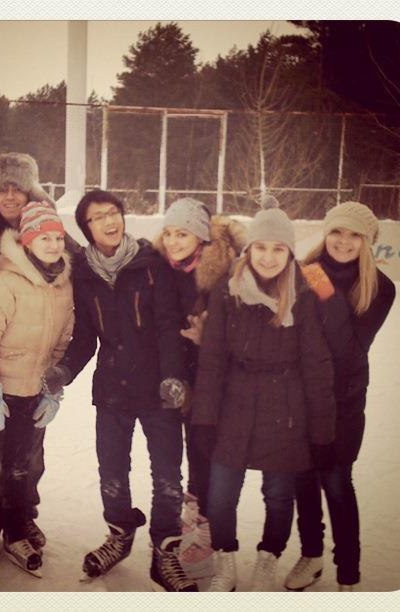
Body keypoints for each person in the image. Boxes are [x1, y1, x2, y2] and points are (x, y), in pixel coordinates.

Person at [43, 189, 199, 592]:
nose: (108, 222)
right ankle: (120, 535)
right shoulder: (84, 274)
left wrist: (173, 378)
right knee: (111, 472)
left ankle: (165, 551)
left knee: (167, 476)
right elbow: (85, 336)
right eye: (97, 218)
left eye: (113, 212)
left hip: (159, 389)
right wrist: (64, 370)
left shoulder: (151, 264)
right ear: (87, 228)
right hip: (112, 390)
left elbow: (167, 326)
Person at [190, 195, 337, 592]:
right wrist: (204, 418)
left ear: (289, 252)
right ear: (249, 249)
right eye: (261, 247)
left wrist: (322, 431)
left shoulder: (305, 290)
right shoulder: (228, 290)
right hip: (234, 405)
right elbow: (212, 361)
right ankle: (225, 561)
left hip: (286, 408)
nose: (268, 258)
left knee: (278, 495)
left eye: (278, 249)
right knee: (221, 495)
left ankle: (268, 561)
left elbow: (317, 365)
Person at [0, 202, 74, 591]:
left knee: (19, 469)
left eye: (58, 237)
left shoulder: (63, 286)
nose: (53, 245)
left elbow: (61, 344)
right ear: (27, 241)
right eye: (44, 238)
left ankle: (16, 533)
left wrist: (52, 390)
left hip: (30, 394)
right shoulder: (4, 283)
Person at [284, 201, 396, 592]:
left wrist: (324, 290)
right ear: (325, 232)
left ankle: (348, 570)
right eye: (337, 231)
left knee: (335, 481)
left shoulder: (380, 288)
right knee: (302, 479)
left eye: (354, 235)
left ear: (367, 241)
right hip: (300, 397)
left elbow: (348, 351)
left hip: (343, 402)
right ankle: (311, 554)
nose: (343, 241)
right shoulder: (299, 272)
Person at [0, 151, 76, 553]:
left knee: (30, 457)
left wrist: (54, 384)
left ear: (29, 192)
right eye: (2, 189)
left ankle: (21, 515)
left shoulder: (49, 232)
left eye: (17, 188)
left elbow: (75, 267)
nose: (10, 196)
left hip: (34, 372)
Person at [152, 197, 246, 570]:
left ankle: (209, 532)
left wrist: (208, 339)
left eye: (183, 234)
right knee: (193, 452)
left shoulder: (225, 271)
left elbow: (247, 332)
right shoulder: (163, 267)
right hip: (183, 376)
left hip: (219, 380)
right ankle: (194, 523)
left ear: (201, 237)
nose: (173, 241)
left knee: (210, 455)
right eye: (169, 233)